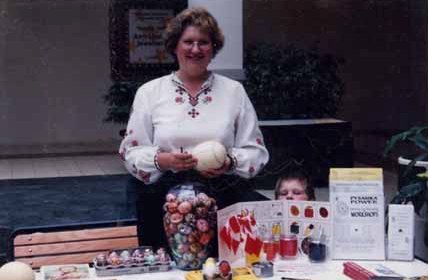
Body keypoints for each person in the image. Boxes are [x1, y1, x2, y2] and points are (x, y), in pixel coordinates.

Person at [119, 7, 269, 249]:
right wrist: (163, 161)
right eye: (188, 42)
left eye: (204, 42)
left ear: (213, 48)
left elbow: (256, 151)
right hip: (164, 202)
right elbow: (131, 152)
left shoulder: (233, 92)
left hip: (223, 200)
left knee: (220, 270)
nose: (196, 49)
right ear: (174, 46)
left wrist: (229, 162)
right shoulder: (150, 92)